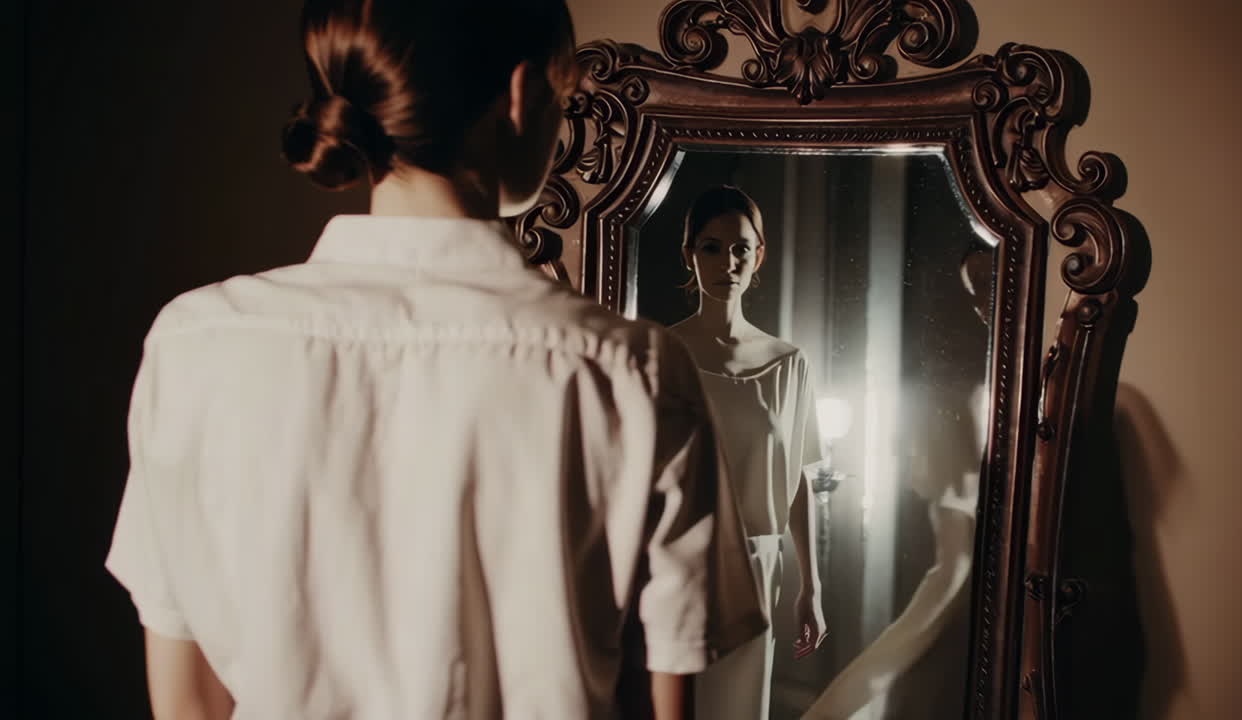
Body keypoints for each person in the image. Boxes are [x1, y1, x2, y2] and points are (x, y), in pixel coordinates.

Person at [104, 2, 765, 718]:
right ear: (523, 96)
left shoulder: (196, 345)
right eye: (566, 98)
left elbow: (187, 703)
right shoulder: (632, 373)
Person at [800, 240, 993, 720]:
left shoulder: (992, 391)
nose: (984, 302)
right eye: (975, 292)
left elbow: (946, 585)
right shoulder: (966, 395)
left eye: (991, 283)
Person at [667, 186, 827, 720]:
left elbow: (797, 479)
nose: (727, 262)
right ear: (690, 253)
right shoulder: (662, 352)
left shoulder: (790, 363)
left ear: (758, 255)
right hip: (676, 564)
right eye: (711, 247)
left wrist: (812, 585)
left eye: (740, 248)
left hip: (759, 572)